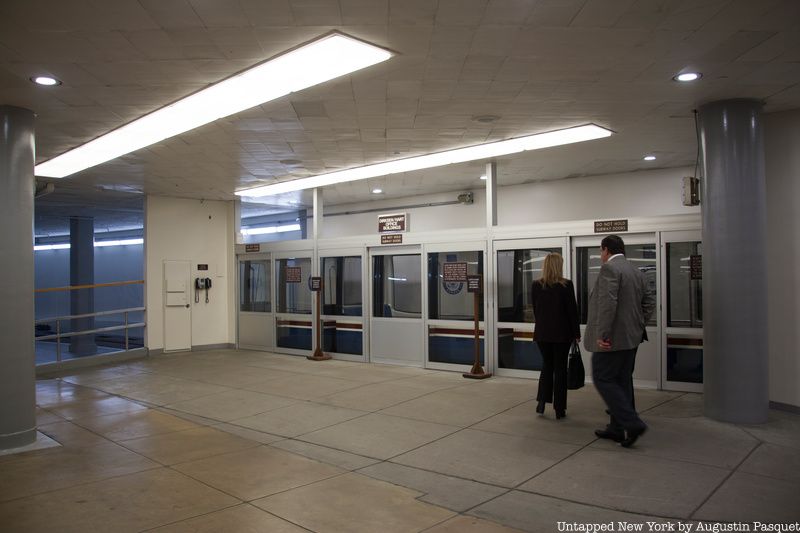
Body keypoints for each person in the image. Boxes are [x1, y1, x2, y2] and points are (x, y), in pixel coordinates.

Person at [584, 235, 656, 447]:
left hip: (611, 341)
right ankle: (616, 429)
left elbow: (608, 303)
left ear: (606, 249)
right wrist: (637, 325)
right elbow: (649, 302)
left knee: (602, 378)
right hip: (631, 339)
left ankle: (632, 423)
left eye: (600, 250)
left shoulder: (610, 269)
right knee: (622, 381)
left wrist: (603, 334)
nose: (601, 255)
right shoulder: (636, 271)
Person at [531, 253, 580, 419]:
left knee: (547, 366)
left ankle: (542, 402)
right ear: (559, 266)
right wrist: (576, 333)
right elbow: (572, 311)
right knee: (560, 370)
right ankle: (560, 409)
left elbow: (536, 311)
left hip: (542, 334)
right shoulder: (566, 285)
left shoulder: (536, 285)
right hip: (562, 334)